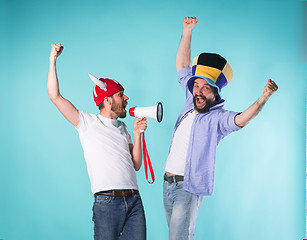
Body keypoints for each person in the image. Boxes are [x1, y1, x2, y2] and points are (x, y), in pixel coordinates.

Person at [163, 17, 278, 240]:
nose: (199, 91)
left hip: (188, 188)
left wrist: (263, 98)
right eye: (196, 85)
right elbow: (182, 67)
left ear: (215, 93)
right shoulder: (190, 100)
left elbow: (242, 119)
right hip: (167, 185)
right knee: (183, 237)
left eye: (206, 88)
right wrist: (187, 32)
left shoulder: (218, 119)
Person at [47, 43, 147, 240]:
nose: (126, 98)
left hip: (134, 200)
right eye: (120, 95)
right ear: (108, 100)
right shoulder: (86, 122)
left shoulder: (123, 128)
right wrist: (53, 60)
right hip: (107, 202)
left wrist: (137, 134)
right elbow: (55, 96)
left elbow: (136, 165)